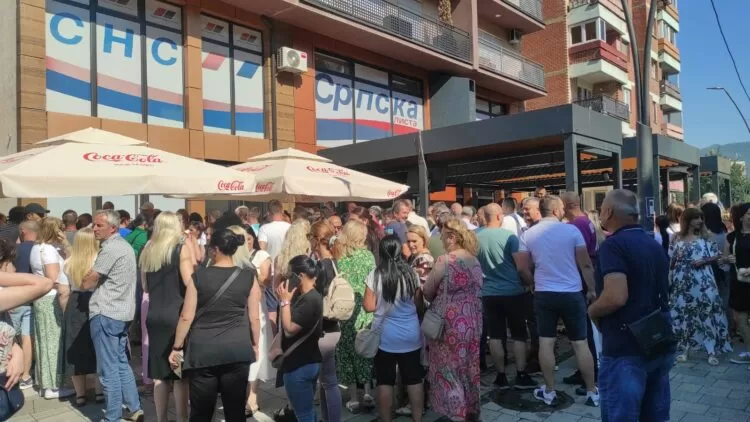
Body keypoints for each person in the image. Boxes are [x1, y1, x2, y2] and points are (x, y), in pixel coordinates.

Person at [588, 189, 674, 421]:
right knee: (655, 414)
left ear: (608, 212)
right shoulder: (652, 243)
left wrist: (592, 310)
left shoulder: (613, 246)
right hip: (657, 340)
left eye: (601, 209)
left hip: (625, 347)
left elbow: (616, 297)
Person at [514, 196, 599, 407]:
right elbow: (585, 264)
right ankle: (591, 391)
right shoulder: (572, 231)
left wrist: (532, 283)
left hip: (544, 293)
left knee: (546, 342)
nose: (563, 210)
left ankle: (550, 390)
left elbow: (522, 267)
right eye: (561, 208)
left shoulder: (527, 234)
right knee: (580, 343)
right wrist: (592, 289)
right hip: (572, 292)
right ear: (555, 210)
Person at [168, 229, 259, 422]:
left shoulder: (198, 277)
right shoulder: (248, 277)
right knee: (235, 411)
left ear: (215, 249)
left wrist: (177, 347)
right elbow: (254, 318)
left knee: (201, 412)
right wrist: (255, 344)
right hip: (237, 349)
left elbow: (186, 316)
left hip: (203, 351)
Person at [80, 210, 143, 422]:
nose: (94, 229)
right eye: (94, 225)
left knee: (108, 371)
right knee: (120, 363)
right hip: (122, 312)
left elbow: (88, 282)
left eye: (99, 225)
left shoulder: (111, 248)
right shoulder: (124, 246)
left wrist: (85, 278)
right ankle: (134, 408)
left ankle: (113, 417)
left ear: (113, 228)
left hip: (107, 312)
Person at [423, 218, 483, 421]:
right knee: (469, 367)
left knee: (449, 369)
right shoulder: (474, 260)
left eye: (442, 236)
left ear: (452, 237)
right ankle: (472, 411)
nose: (441, 240)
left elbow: (428, 291)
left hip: (449, 322)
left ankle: (457, 415)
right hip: (473, 320)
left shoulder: (445, 260)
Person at [140, 212, 197, 422]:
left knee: (159, 376)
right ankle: (182, 419)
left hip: (154, 315)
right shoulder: (180, 249)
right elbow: (190, 283)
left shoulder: (148, 250)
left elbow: (145, 287)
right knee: (179, 375)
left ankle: (161, 419)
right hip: (176, 316)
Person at [363, 235, 424, 422]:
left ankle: (386, 419)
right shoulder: (411, 273)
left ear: (381, 252)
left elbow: (369, 306)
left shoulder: (375, 274)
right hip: (411, 333)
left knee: (385, 381)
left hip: (385, 335)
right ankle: (418, 418)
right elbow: (419, 303)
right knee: (414, 379)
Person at [476, 204, 534, 389]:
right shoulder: (510, 237)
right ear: (499, 216)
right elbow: (521, 267)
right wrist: (530, 282)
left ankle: (500, 375)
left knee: (495, 335)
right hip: (513, 291)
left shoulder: (475, 237)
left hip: (489, 292)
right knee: (519, 334)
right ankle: (521, 373)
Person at [668, 207, 732, 365]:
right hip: (681, 281)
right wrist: (670, 280)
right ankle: (685, 349)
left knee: (706, 312)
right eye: (696, 218)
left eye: (701, 218)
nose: (700, 221)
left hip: (703, 280)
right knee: (685, 314)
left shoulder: (706, 236)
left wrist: (704, 261)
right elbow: (671, 260)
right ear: (687, 220)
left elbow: (717, 255)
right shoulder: (676, 238)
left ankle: (711, 350)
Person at [226, 225, 271, 417]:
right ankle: (244, 397)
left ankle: (251, 398)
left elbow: (264, 284)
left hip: (253, 312)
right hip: (241, 313)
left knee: (255, 356)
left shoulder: (257, 260)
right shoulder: (231, 263)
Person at [334, 220, 377, 413]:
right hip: (364, 309)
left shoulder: (340, 256)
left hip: (345, 308)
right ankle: (367, 392)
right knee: (364, 349)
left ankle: (352, 398)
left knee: (346, 353)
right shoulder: (368, 256)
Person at [275, 256, 324, 422]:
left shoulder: (310, 300)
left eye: (290, 274)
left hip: (299, 365)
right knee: (308, 410)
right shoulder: (308, 296)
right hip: (308, 361)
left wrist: (284, 302)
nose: (288, 278)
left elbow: (289, 330)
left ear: (300, 276)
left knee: (303, 414)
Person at [560, 192, 600, 392]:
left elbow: (581, 258)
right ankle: (587, 370)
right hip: (585, 278)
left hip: (581, 281)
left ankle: (590, 374)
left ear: (567, 205)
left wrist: (589, 287)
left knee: (582, 329)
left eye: (560, 205)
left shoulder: (577, 225)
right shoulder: (585, 221)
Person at [30, 217, 73, 399]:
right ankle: (52, 386)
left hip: (42, 299)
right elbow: (52, 279)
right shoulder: (48, 250)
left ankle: (45, 383)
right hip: (51, 299)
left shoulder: (38, 247)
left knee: (45, 341)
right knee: (53, 342)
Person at [62, 228, 103, 406]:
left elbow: (63, 291)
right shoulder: (99, 259)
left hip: (75, 302)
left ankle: (80, 395)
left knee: (76, 348)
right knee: (97, 346)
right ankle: (100, 391)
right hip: (96, 300)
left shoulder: (68, 262)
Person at [309, 221, 342, 422]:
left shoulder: (320, 267)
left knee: (329, 381)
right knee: (326, 381)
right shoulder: (336, 263)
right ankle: (327, 418)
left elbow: (314, 297)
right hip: (334, 325)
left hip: (322, 328)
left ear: (316, 240)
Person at [9, 220, 38, 389]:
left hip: (14, 298)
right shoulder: (40, 249)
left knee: (10, 338)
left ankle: (12, 373)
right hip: (33, 298)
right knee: (28, 337)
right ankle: (26, 375)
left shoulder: (14, 250)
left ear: (22, 231)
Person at [725, 203, 750, 366]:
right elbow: (723, 258)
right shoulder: (732, 237)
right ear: (741, 217)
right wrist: (727, 258)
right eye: (749, 213)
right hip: (739, 283)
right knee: (740, 319)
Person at [702, 203, 730, 316]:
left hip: (709, 273)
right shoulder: (726, 233)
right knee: (725, 299)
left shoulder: (704, 236)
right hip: (726, 271)